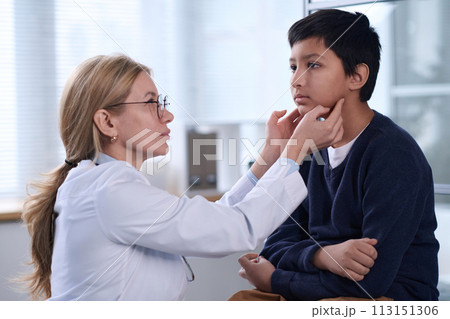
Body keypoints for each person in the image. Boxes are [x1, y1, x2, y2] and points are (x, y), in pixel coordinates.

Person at [21, 54, 344, 300]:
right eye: (151, 103)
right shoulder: (111, 192)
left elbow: (217, 218)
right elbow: (237, 228)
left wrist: (271, 157)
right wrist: (296, 150)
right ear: (107, 123)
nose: (168, 114)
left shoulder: (106, 186)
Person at [236, 9, 439, 301]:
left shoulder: (393, 154)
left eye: (313, 65)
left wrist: (276, 279)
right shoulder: (309, 147)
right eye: (293, 67)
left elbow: (369, 282)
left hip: (386, 299)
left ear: (356, 76)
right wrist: (323, 255)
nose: (296, 81)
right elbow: (274, 246)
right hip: (320, 286)